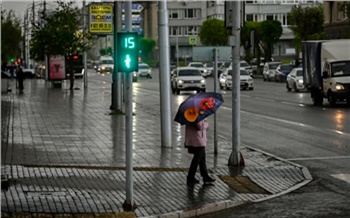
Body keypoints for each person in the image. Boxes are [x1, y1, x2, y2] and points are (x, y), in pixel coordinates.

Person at [185, 120, 216, 185]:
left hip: (197, 139)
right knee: (197, 159)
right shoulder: (195, 114)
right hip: (198, 140)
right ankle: (190, 177)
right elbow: (199, 126)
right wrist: (206, 123)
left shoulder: (190, 114)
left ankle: (205, 176)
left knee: (202, 158)